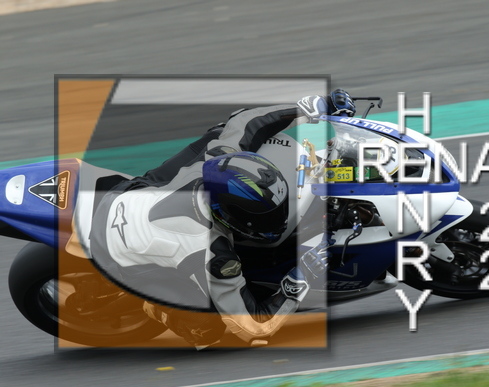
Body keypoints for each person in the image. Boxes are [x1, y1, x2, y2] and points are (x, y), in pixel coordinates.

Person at [88, 89, 356, 346]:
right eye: (263, 220)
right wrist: (301, 277)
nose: (277, 222)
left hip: (126, 196)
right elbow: (254, 329)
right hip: (115, 253)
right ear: (228, 217)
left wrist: (312, 107)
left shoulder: (219, 159)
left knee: (220, 131)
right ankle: (155, 307)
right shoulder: (212, 253)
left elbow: (247, 120)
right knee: (208, 329)